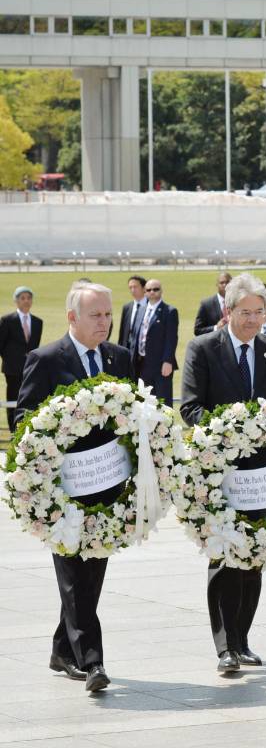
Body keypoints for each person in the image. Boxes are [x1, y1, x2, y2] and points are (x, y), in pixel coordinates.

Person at [17, 281, 132, 692]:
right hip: (64, 492)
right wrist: (61, 427)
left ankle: (62, 650)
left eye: (108, 314)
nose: (105, 322)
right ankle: (93, 661)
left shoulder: (120, 358)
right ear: (72, 317)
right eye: (95, 315)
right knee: (72, 575)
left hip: (109, 488)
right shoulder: (46, 359)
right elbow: (24, 420)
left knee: (91, 574)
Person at [180, 273, 266, 675]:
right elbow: (190, 408)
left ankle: (242, 640)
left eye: (259, 312)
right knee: (225, 555)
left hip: (260, 476)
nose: (252, 319)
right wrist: (233, 432)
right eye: (245, 312)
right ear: (227, 311)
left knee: (254, 554)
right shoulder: (203, 348)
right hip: (218, 475)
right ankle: (225, 645)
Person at [128, 279, 179, 407]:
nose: (152, 292)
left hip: (160, 365)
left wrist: (168, 361)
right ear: (145, 292)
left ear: (161, 291)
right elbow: (134, 336)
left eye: (155, 289)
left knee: (162, 402)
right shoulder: (141, 310)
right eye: (149, 290)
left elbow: (171, 338)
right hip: (141, 363)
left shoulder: (169, 311)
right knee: (142, 400)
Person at [0, 285, 42, 432]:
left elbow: (34, 347)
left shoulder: (38, 322)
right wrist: (11, 361)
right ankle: (13, 431)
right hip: (12, 369)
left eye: (29, 298)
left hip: (30, 368)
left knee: (29, 398)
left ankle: (27, 428)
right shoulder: (7, 320)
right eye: (23, 298)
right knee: (13, 399)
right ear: (16, 301)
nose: (26, 301)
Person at [118, 275, 147, 348]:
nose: (132, 290)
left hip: (144, 348)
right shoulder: (127, 307)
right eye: (130, 287)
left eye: (135, 287)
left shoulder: (151, 306)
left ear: (144, 288)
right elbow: (122, 331)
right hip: (128, 347)